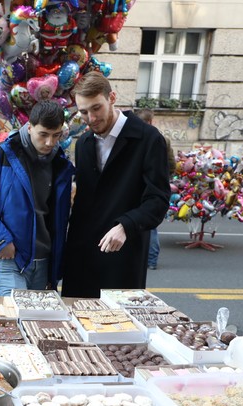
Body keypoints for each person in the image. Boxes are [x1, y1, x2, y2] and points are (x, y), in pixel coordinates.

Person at [61, 72, 171, 298]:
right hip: (82, 258)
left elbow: (158, 200)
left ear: (111, 97)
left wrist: (126, 225)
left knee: (119, 330)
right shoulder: (83, 143)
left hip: (123, 257)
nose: (91, 118)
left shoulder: (148, 139)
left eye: (96, 108)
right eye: (83, 112)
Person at [0, 100, 75, 296]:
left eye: (56, 135)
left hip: (44, 259)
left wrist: (54, 269)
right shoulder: (0, 154)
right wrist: (1, 240)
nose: (50, 142)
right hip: (10, 256)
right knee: (18, 316)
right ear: (29, 127)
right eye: (43, 134)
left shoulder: (60, 164)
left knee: (36, 321)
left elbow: (57, 218)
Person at [134, 108, 176, 271]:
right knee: (149, 225)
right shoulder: (162, 139)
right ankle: (151, 260)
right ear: (151, 121)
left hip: (140, 188)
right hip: (154, 187)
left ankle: (147, 259)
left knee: (140, 224)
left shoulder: (136, 139)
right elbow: (172, 165)